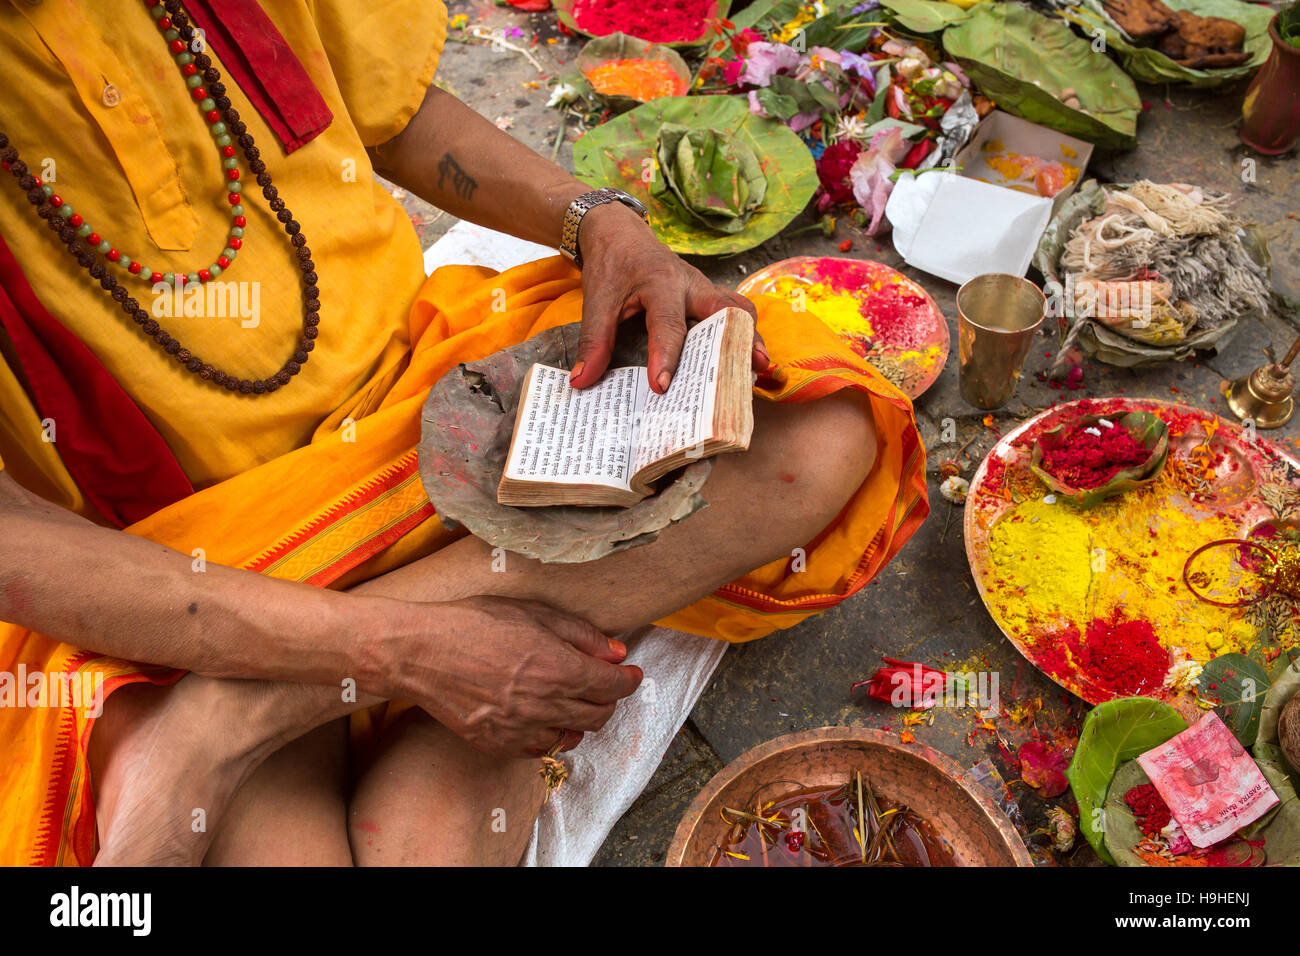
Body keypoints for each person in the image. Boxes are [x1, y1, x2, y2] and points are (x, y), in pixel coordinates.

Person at [0, 0, 927, 866]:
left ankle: (228, 717)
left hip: (429, 389)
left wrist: (596, 221)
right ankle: (378, 659)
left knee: (822, 428)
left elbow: (391, 116)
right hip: (197, 561)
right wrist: (401, 653)